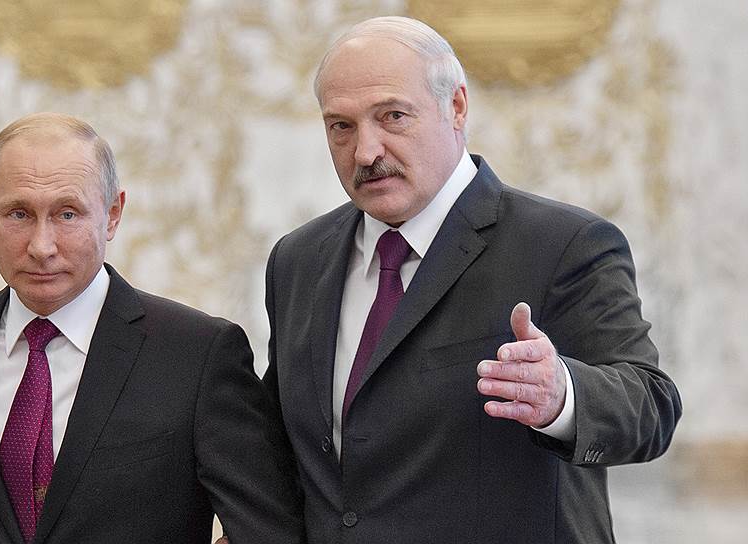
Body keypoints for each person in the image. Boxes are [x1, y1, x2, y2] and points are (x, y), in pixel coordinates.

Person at [262, 16, 682, 542]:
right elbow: (285, 444)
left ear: (456, 107)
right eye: (341, 126)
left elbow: (650, 408)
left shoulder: (565, 244)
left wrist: (562, 396)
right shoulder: (298, 260)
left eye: (393, 116)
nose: (366, 152)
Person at [0, 113, 305, 543]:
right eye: (19, 214)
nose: (41, 246)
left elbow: (266, 530)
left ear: (112, 214)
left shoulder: (197, 354)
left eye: (67, 214)